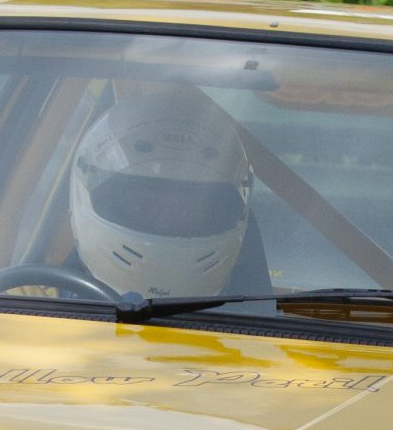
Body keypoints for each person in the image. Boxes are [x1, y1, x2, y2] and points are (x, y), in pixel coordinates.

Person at [68, 85, 269, 297]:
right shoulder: (38, 303)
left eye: (185, 211)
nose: (164, 221)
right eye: (146, 207)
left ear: (221, 212)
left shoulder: (252, 325)